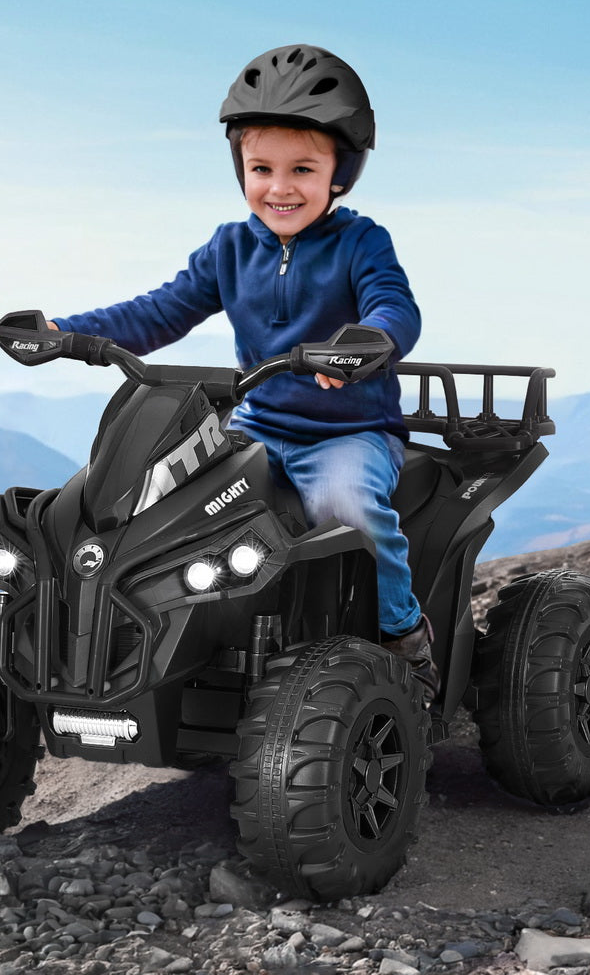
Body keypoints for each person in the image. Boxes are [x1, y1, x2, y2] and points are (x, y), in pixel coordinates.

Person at [47, 44, 439, 703]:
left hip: (345, 435)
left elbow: (394, 305)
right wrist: (71, 333)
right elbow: (160, 311)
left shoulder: (362, 242)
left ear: (340, 172)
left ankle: (404, 635)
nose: (279, 187)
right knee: (149, 499)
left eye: (302, 168)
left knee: (351, 506)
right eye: (262, 167)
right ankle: (149, 644)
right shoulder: (229, 248)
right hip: (250, 426)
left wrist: (370, 340)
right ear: (241, 168)